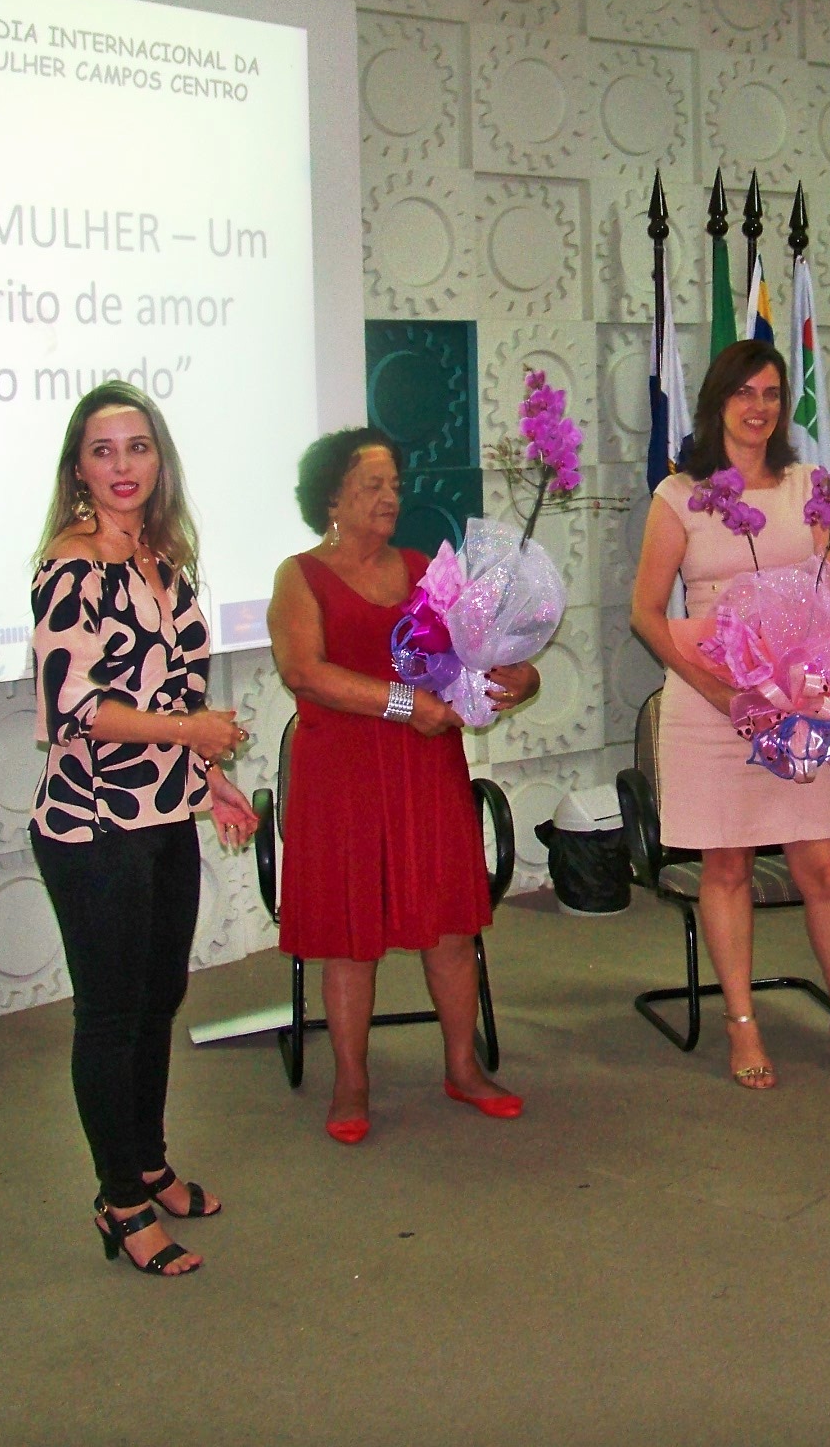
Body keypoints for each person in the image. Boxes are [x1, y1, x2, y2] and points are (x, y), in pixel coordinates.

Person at [28, 381, 257, 1277]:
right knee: (112, 1016)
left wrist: (211, 778)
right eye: (102, 451)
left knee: (158, 1000)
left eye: (138, 448)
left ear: (159, 461)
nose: (123, 467)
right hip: (93, 827)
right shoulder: (71, 566)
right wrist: (192, 735)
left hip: (162, 818)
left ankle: (149, 1162)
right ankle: (119, 1203)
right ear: (78, 470)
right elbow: (71, 706)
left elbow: (174, 693)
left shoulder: (166, 559)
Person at [266, 427, 540, 1143]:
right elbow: (305, 671)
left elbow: (471, 659)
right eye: (372, 485)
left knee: (449, 928)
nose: (391, 497)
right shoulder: (298, 575)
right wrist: (403, 703)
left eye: (395, 484)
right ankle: (351, 1081)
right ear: (332, 495)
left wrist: (517, 675)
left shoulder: (425, 569)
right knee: (351, 938)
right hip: (346, 777)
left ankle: (463, 1065)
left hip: (426, 770)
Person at [628, 339, 830, 1089]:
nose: (759, 406)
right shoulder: (682, 495)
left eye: (771, 393)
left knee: (825, 866)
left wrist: (825, 690)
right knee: (728, 865)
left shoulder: (812, 488)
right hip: (711, 704)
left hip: (796, 702)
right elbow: (646, 613)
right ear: (717, 403)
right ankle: (743, 1023)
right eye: (744, 392)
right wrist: (717, 693)